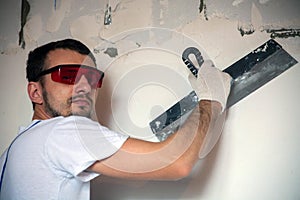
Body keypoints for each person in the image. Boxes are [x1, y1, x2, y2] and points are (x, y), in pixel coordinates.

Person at [0, 38, 232, 200]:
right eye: (69, 75)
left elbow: (136, 177)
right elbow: (177, 163)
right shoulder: (62, 132)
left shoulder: (13, 153)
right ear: (35, 92)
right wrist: (210, 99)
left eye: (91, 77)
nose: (83, 86)